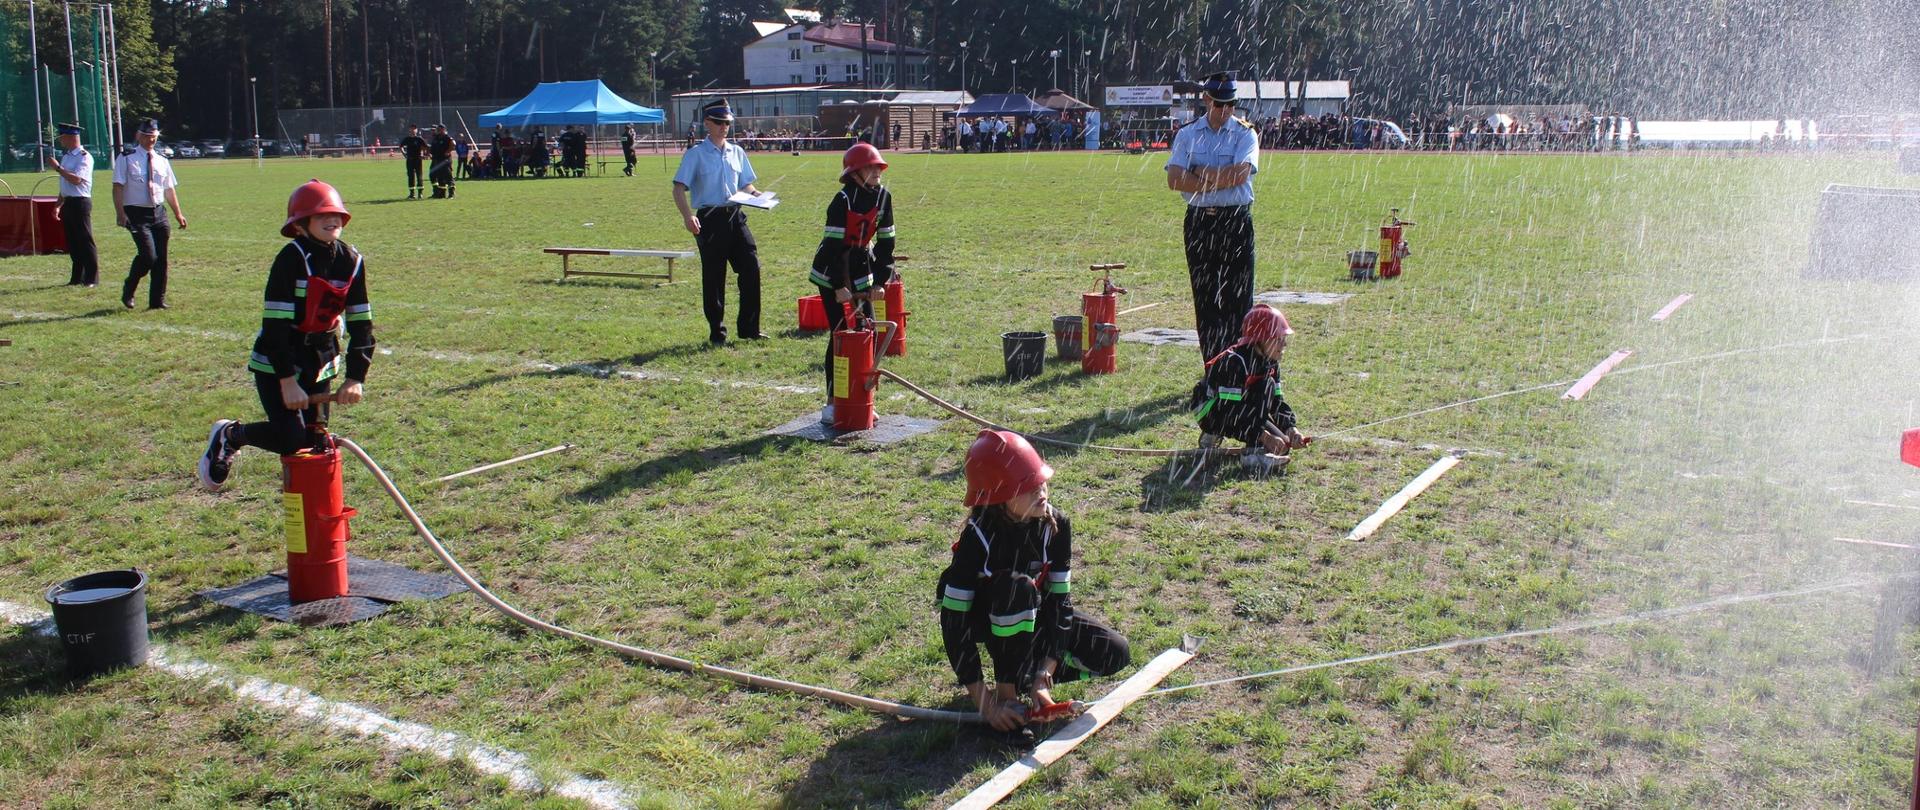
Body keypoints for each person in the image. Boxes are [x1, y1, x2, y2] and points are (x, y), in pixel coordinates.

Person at [939, 429, 1133, 745]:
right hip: (987, 621)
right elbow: (953, 623)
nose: (1041, 491)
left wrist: (1045, 672)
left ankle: (1026, 679)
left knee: (1114, 653)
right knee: (1016, 589)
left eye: (1041, 482)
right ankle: (1008, 697)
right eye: (1028, 487)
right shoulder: (977, 538)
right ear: (999, 498)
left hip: (1031, 615)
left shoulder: (1056, 525)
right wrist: (986, 704)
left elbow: (1060, 602)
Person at [197, 180, 374, 490]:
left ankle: (313, 511)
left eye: (335, 213)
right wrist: (287, 380)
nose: (331, 219)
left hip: (321, 361)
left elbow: (361, 322)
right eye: (321, 215)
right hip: (278, 361)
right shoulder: (290, 259)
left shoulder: (352, 261)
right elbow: (275, 326)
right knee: (291, 439)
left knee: (315, 440)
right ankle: (231, 436)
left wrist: (355, 377)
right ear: (301, 225)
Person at [1165, 72, 1259, 363]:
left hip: (1235, 222)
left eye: (1231, 104)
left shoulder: (1245, 133)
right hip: (1200, 223)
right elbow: (1174, 179)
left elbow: (1240, 174)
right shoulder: (1187, 134)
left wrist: (1198, 173)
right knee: (1205, 300)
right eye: (1219, 104)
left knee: (1238, 300)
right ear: (1207, 100)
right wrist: (1220, 179)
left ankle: (1238, 365)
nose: (1226, 110)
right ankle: (1213, 367)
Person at [808, 143, 896, 423]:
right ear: (854, 172)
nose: (876, 171)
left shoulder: (883, 198)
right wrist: (838, 286)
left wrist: (880, 281)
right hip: (832, 269)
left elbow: (886, 243)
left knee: (867, 331)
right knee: (840, 335)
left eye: (878, 166)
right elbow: (834, 247)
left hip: (861, 266)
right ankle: (833, 400)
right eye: (870, 167)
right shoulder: (842, 200)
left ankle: (862, 397)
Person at [671, 98, 767, 345]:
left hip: (736, 216)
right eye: (719, 122)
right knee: (714, 277)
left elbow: (746, 184)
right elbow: (678, 188)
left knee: (751, 267)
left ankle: (750, 329)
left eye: (727, 123)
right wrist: (687, 216)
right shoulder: (696, 154)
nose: (724, 127)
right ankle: (717, 332)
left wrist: (758, 196)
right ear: (707, 123)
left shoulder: (737, 152)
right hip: (710, 220)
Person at [1190, 304, 1309, 472]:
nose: (1284, 344)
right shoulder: (1235, 362)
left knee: (1282, 445)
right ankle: (1249, 453)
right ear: (1259, 340)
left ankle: (1257, 448)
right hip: (1211, 411)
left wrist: (1291, 430)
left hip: (1238, 409)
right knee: (1265, 387)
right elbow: (1230, 411)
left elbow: (1276, 402)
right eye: (1278, 339)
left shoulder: (1270, 362)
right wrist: (1264, 437)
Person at [113, 118, 188, 310]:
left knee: (161, 259)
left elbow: (169, 189)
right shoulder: (126, 157)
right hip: (136, 213)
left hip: (158, 212)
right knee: (148, 256)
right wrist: (120, 213)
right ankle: (129, 287)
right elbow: (118, 187)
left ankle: (157, 300)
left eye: (154, 136)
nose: (151, 140)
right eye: (147, 136)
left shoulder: (162, 160)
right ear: (138, 136)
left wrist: (178, 214)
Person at [46, 123, 98, 287]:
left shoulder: (84, 157)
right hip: (68, 201)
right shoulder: (67, 156)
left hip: (80, 202)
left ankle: (91, 278)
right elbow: (65, 186)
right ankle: (76, 278)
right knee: (73, 242)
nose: (60, 140)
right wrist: (58, 205)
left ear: (70, 137)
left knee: (85, 240)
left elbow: (76, 180)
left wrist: (58, 168)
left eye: (62, 137)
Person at [398, 125, 428, 199]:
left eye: (414, 129)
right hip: (410, 160)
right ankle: (412, 194)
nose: (412, 130)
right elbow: (401, 146)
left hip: (418, 160)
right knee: (410, 176)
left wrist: (424, 154)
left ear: (416, 130)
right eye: (411, 129)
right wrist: (404, 153)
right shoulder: (407, 139)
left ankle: (420, 193)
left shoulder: (419, 139)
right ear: (409, 130)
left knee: (419, 176)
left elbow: (425, 147)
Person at [428, 124, 456, 198]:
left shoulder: (447, 137)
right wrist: (430, 153)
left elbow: (453, 144)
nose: (438, 131)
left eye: (440, 129)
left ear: (444, 129)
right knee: (437, 176)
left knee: (448, 176)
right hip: (436, 159)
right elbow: (432, 147)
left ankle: (451, 193)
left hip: (445, 160)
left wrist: (448, 151)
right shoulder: (436, 138)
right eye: (438, 129)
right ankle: (440, 193)